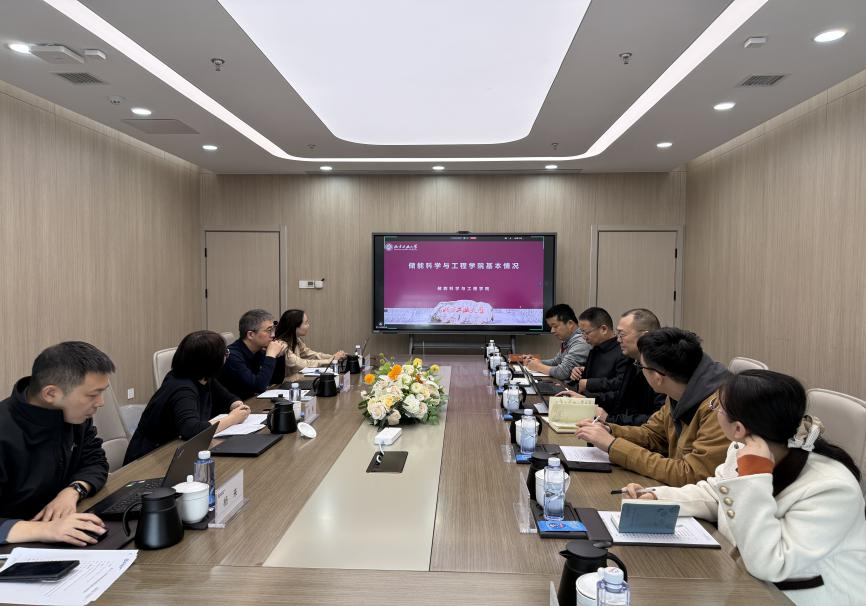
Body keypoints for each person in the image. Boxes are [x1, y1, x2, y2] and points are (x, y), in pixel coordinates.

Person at [622, 371, 866, 606]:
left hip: (797, 597)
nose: (714, 411)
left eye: (718, 407)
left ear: (738, 428)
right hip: (741, 578)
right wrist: (657, 496)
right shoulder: (744, 448)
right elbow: (717, 493)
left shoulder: (832, 488)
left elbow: (771, 563)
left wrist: (754, 476)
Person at [576, 327, 730, 486]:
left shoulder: (721, 409)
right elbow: (653, 435)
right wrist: (609, 430)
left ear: (657, 377)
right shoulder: (679, 388)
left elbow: (689, 474)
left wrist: (612, 445)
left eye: (640, 365)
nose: (640, 370)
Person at [0, 342, 113, 546]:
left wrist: (73, 491)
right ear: (50, 394)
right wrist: (45, 529)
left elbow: (95, 461)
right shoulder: (5, 429)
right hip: (16, 545)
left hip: (62, 528)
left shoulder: (72, 415)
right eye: (92, 395)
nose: (100, 402)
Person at [124, 331, 251, 464]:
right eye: (225, 353)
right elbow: (191, 430)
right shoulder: (182, 388)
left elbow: (227, 398)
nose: (226, 356)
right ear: (211, 361)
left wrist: (237, 405)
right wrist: (232, 419)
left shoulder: (202, 376)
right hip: (150, 458)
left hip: (177, 450)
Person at [559, 308, 664, 426]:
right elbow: (620, 399)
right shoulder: (634, 362)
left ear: (644, 337)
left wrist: (609, 420)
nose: (618, 340)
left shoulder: (662, 369)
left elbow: (659, 422)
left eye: (622, 335)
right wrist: (586, 401)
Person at [559, 307, 630, 406]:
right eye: (582, 332)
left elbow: (621, 384)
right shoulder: (595, 348)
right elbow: (585, 380)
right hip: (585, 401)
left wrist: (589, 383)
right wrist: (578, 373)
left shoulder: (623, 351)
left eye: (586, 332)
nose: (584, 337)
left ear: (603, 329)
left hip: (603, 406)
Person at [218, 309, 288, 400]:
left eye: (273, 329)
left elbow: (276, 380)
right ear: (250, 335)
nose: (273, 335)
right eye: (269, 330)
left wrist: (279, 355)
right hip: (236, 405)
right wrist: (271, 356)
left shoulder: (259, 350)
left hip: (252, 401)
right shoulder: (232, 356)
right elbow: (258, 387)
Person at [272, 309, 346, 383]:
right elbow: (300, 363)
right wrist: (330, 361)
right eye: (306, 323)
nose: (308, 325)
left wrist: (332, 357)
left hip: (293, 382)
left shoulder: (296, 339)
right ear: (294, 326)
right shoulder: (281, 345)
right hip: (279, 385)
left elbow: (309, 354)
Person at [519, 304, 589, 381]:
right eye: (551, 327)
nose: (552, 331)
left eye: (555, 326)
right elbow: (556, 361)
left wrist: (538, 366)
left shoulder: (581, 342)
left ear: (570, 324)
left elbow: (563, 372)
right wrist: (535, 361)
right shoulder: (568, 340)